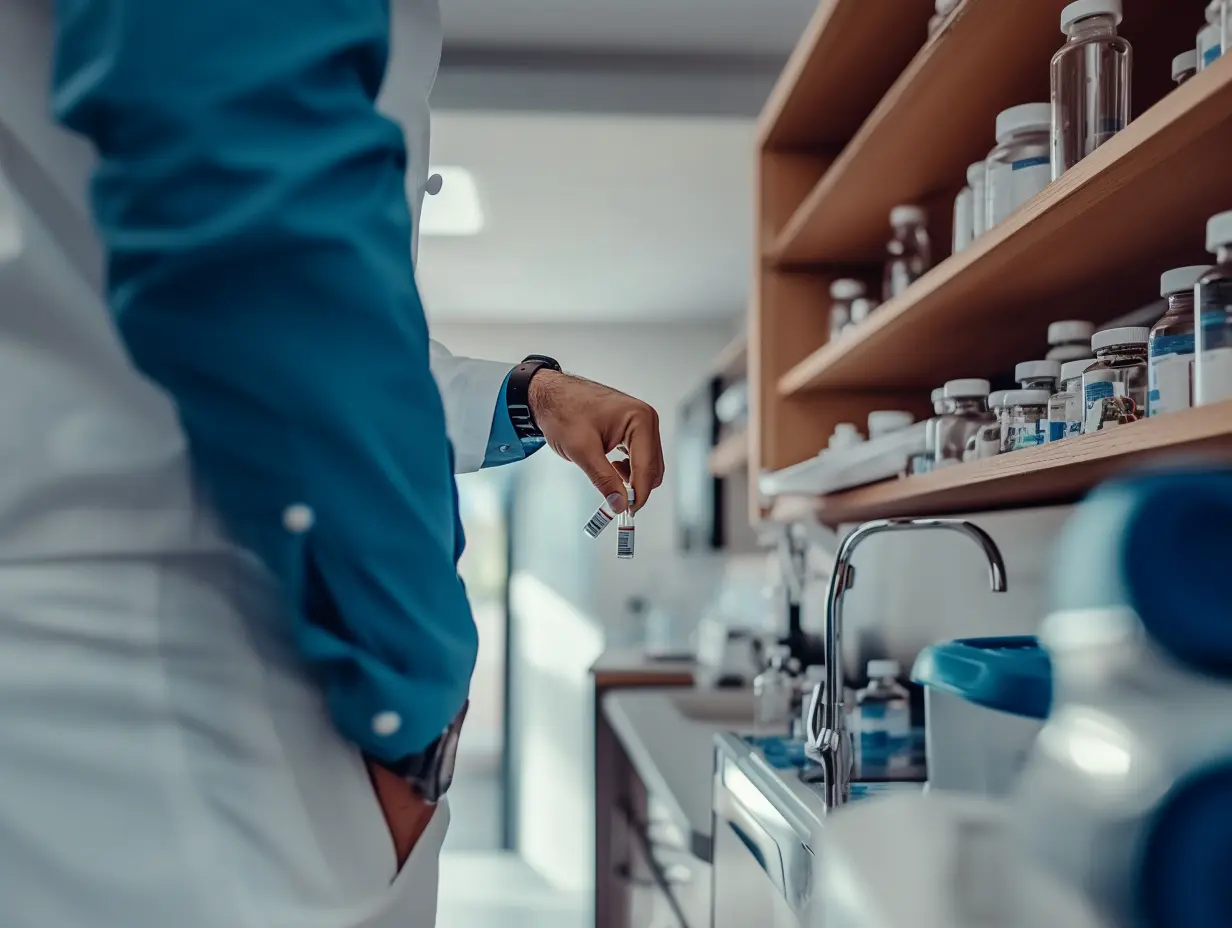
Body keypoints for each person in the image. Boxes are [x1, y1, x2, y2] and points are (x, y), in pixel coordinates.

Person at [0, 1, 663, 925]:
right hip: (191, 674)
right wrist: (421, 692)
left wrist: (533, 396)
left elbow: (349, 341)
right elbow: (253, 236)